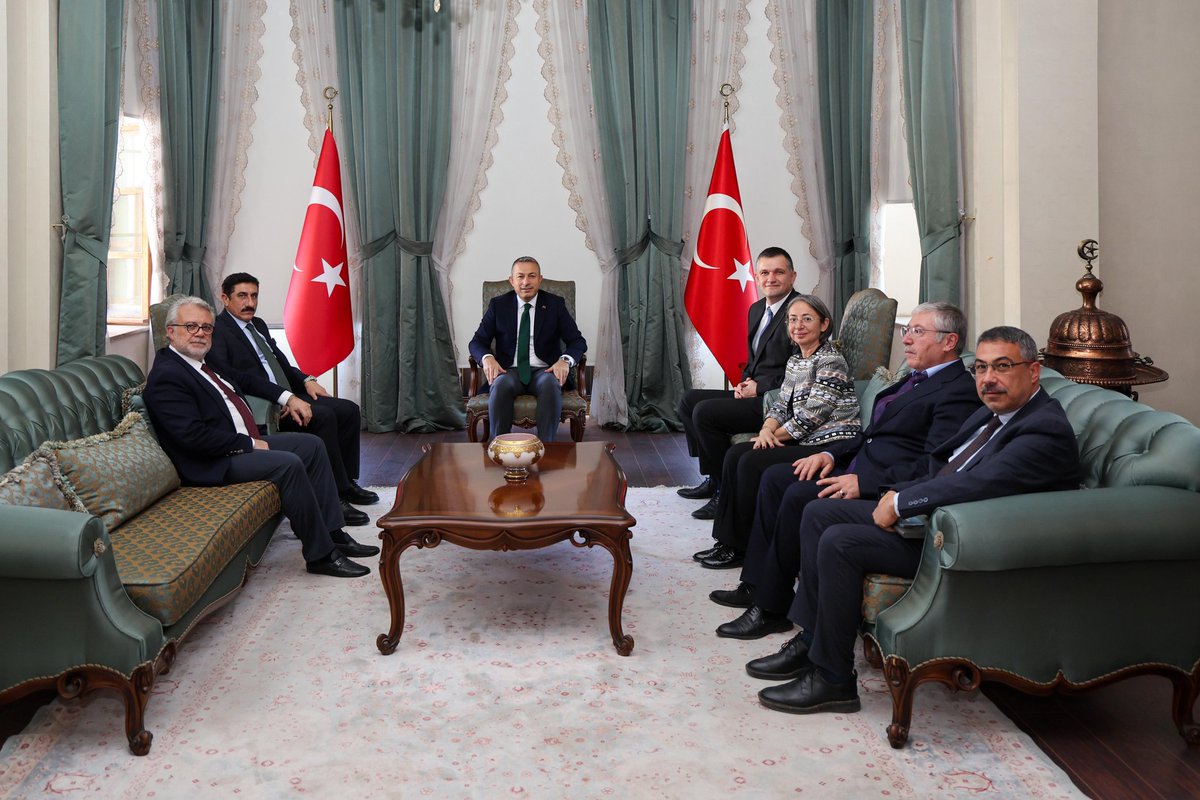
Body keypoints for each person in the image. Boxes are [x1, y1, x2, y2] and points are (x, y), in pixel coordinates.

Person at [742, 326, 1081, 715]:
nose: (989, 379)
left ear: (1033, 372)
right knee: (819, 511)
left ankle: (833, 679)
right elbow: (941, 467)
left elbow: (977, 484)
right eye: (982, 368)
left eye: (1002, 367)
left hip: (961, 541)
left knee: (840, 541)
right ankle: (812, 641)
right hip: (936, 520)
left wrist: (901, 501)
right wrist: (893, 492)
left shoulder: (1043, 429)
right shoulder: (995, 414)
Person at [706, 301, 980, 608]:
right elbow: (869, 434)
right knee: (773, 477)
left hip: (878, 481)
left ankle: (769, 603)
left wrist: (864, 483)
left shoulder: (958, 391)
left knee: (792, 491)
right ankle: (756, 585)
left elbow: (934, 464)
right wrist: (830, 456)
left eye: (917, 331)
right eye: (907, 330)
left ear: (950, 341)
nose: (905, 339)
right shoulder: (917, 378)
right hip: (855, 460)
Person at [143, 296, 376, 579]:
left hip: (237, 442)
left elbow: (247, 380)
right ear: (171, 331)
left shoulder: (202, 362)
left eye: (206, 328)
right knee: (288, 464)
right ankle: (321, 555)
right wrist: (249, 444)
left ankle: (335, 535)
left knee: (311, 445)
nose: (200, 333)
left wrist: (287, 397)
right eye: (191, 327)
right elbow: (192, 437)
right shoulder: (168, 375)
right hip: (211, 462)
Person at [696, 295, 861, 570]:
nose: (798, 326)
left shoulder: (831, 360)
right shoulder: (796, 360)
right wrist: (766, 430)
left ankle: (739, 547)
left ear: (824, 324)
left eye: (807, 319)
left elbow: (811, 417)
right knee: (735, 454)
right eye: (793, 320)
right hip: (803, 437)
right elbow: (781, 405)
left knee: (749, 460)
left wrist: (770, 437)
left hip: (829, 444)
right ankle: (728, 543)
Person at [207, 272, 377, 527]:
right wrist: (281, 399)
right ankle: (334, 496)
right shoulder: (217, 331)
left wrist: (306, 379)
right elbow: (233, 378)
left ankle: (347, 483)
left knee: (348, 410)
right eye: (242, 296)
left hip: (287, 395)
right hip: (263, 404)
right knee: (324, 417)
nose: (249, 302)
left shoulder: (258, 324)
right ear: (225, 298)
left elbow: (281, 363)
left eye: (254, 295)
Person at [676, 246, 801, 520]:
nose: (771, 278)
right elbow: (755, 360)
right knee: (688, 400)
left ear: (792, 276)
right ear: (756, 277)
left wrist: (761, 386)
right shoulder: (757, 308)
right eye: (765, 272)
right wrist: (746, 382)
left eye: (779, 272)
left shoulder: (800, 312)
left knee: (706, 413)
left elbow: (800, 371)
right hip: (756, 391)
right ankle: (713, 477)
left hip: (778, 400)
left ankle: (725, 491)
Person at [468, 256, 587, 442]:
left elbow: (577, 341)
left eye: (532, 276)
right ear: (511, 280)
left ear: (540, 279)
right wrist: (487, 357)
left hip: (544, 370)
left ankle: (547, 449)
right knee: (499, 385)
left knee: (550, 383)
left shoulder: (555, 304)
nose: (526, 282)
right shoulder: (498, 305)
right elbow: (477, 342)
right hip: (509, 370)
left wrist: (564, 361)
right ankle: (500, 448)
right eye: (520, 276)